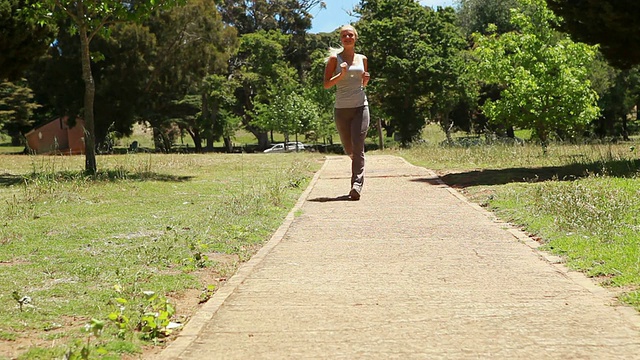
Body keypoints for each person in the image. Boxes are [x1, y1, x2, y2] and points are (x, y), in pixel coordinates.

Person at [323, 25, 370, 201]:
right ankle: (357, 167)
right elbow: (326, 84)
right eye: (344, 35)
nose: (347, 37)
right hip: (342, 109)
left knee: (358, 147)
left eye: (350, 35)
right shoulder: (334, 59)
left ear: (355, 37)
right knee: (350, 149)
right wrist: (341, 75)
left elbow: (362, 84)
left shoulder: (362, 59)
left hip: (360, 106)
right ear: (341, 39)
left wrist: (365, 81)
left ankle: (356, 185)